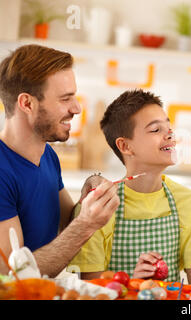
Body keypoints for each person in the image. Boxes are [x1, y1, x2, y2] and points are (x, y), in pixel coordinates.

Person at [69, 89, 191, 286]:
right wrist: (133, 286)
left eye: (168, 126)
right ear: (126, 146)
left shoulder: (190, 202)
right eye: (156, 130)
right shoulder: (96, 208)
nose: (170, 134)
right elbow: (93, 293)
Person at [0, 44, 120, 277]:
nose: (76, 108)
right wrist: (86, 224)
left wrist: (89, 195)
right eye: (65, 99)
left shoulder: (47, 155)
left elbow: (67, 224)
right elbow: (11, 276)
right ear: (27, 103)